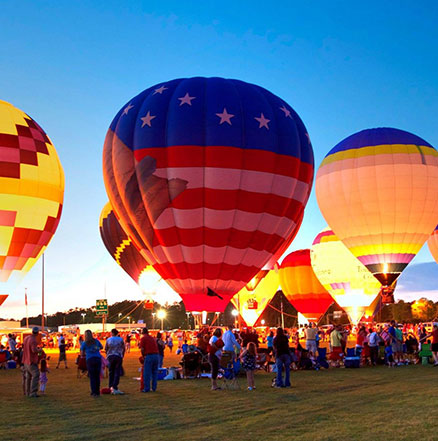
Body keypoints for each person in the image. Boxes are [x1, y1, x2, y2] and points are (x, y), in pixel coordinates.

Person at [80, 330, 103, 397]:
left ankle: (93, 392)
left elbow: (82, 352)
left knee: (92, 376)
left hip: (90, 359)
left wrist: (85, 353)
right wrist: (96, 348)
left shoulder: (85, 343)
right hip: (97, 358)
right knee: (97, 376)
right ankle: (97, 391)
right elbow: (101, 347)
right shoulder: (96, 341)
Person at [105, 328, 125, 395]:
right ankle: (115, 386)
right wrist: (122, 355)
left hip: (110, 356)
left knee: (111, 372)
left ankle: (110, 386)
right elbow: (123, 348)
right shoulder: (120, 339)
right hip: (118, 356)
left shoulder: (108, 339)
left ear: (112, 333)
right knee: (117, 372)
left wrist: (107, 355)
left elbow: (106, 348)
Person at [22, 327, 41, 397]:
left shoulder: (26, 338)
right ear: (37, 333)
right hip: (31, 360)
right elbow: (34, 350)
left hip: (25, 360)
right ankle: (33, 392)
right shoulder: (33, 340)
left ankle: (27, 392)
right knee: (36, 375)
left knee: (28, 377)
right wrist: (40, 350)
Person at [140, 328, 159, 393]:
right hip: (156, 355)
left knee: (147, 373)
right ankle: (154, 388)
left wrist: (143, 356)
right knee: (155, 373)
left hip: (149, 355)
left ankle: (146, 388)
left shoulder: (143, 338)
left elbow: (142, 349)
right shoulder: (152, 338)